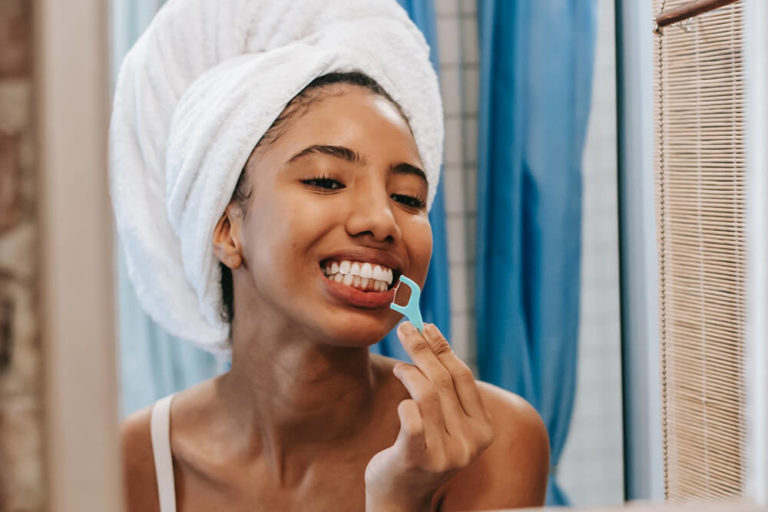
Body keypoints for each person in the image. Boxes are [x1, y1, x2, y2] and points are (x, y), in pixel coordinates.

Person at [112, 2, 549, 511]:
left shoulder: (491, 444)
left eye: (408, 197)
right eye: (325, 180)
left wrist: (398, 501)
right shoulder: (132, 463)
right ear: (227, 229)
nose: (383, 221)